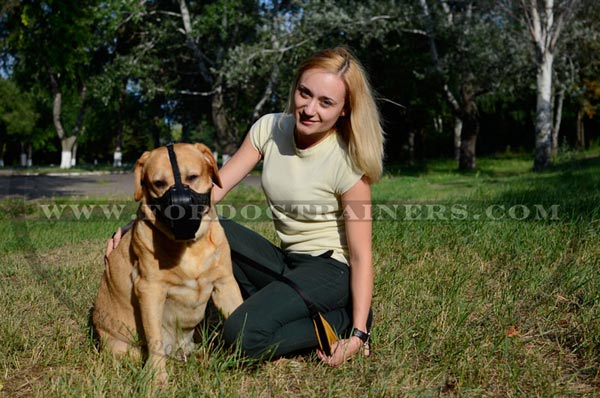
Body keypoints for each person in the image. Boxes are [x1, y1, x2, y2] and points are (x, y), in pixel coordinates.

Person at [106, 47, 384, 367]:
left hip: (329, 272)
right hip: (286, 261)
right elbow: (210, 193)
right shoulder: (269, 129)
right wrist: (140, 222)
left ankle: (342, 321)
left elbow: (362, 256)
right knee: (211, 224)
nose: (309, 108)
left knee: (240, 336)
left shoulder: (349, 164)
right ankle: (287, 309)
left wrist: (360, 334)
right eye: (304, 93)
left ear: (345, 110)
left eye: (326, 102)